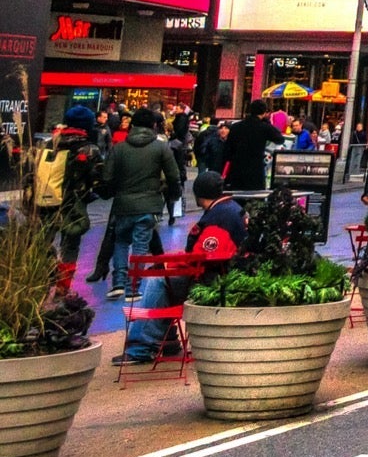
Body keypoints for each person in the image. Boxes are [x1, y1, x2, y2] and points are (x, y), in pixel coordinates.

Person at [119, 170, 247, 366]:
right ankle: (167, 340)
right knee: (165, 279)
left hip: (212, 279)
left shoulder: (218, 218)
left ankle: (141, 347)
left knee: (158, 280)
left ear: (198, 194)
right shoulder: (231, 208)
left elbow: (203, 257)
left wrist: (171, 264)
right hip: (225, 274)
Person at [100, 108, 182, 301]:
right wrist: (173, 195)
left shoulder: (119, 148)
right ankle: (133, 288)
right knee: (140, 245)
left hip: (123, 204)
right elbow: (173, 176)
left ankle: (118, 283)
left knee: (121, 241)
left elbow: (107, 177)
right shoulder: (161, 148)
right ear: (153, 126)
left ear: (133, 125)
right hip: (149, 204)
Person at [32, 106, 105, 266]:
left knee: (42, 242)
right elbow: (99, 179)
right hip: (73, 205)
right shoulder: (89, 148)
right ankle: (62, 287)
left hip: (45, 201)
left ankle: (43, 279)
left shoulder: (46, 144)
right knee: (70, 245)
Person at [224, 100, 280, 193]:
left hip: (237, 169)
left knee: (237, 198)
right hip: (256, 169)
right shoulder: (264, 127)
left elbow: (228, 150)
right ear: (264, 112)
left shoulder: (236, 126)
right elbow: (279, 138)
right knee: (255, 199)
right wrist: (266, 123)